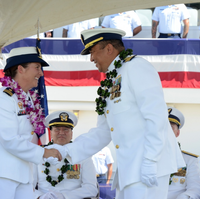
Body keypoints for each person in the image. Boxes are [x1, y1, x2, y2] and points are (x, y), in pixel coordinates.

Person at [57, 28, 186, 199]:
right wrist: (64, 151)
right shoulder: (109, 82)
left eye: (93, 52)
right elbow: (102, 133)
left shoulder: (136, 67)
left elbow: (156, 118)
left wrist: (150, 161)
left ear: (109, 48)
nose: (91, 58)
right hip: (128, 171)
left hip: (148, 168)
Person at [0, 46, 63, 199]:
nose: (41, 73)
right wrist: (44, 152)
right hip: (5, 176)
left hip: (26, 176)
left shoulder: (29, 98)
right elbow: (10, 139)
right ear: (20, 69)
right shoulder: (4, 99)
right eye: (37, 67)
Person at [34, 111, 98, 199]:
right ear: (51, 133)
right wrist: (40, 196)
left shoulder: (83, 155)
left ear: (71, 134)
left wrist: (64, 196)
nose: (61, 132)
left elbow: (91, 188)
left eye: (66, 129)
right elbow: (29, 185)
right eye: (57, 129)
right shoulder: (40, 153)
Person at [167, 107, 200, 199]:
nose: (167, 132)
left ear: (177, 133)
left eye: (171, 128)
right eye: (163, 127)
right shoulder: (145, 157)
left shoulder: (190, 160)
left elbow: (195, 188)